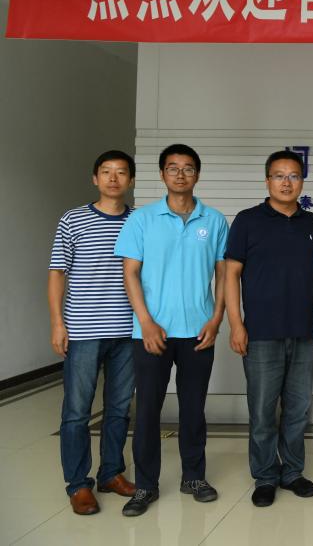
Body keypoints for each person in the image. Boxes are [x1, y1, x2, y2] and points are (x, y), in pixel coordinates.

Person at [114, 143, 228, 517]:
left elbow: (224, 275)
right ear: (162, 174)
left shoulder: (214, 221)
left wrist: (216, 319)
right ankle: (145, 485)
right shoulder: (142, 220)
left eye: (188, 168)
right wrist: (145, 321)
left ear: (198, 174)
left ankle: (194, 476)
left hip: (199, 331)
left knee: (193, 408)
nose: (181, 174)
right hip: (151, 333)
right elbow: (130, 273)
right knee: (147, 410)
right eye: (173, 168)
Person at [225, 150, 313, 507]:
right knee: (263, 410)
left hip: (303, 331)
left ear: (302, 181)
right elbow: (231, 275)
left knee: (297, 408)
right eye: (279, 175)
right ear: (267, 181)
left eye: (293, 176)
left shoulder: (312, 223)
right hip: (261, 332)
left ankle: (292, 472)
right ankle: (265, 475)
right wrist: (236, 324)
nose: (286, 182)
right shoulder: (247, 220)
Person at [48, 150, 139, 515]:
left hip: (128, 331)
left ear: (131, 180)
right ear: (95, 178)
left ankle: (111, 473)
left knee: (118, 409)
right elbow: (57, 273)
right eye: (106, 172)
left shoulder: (139, 221)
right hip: (83, 330)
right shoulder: (73, 220)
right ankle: (78, 484)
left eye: (121, 172)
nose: (113, 178)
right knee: (77, 411)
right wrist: (58, 323)